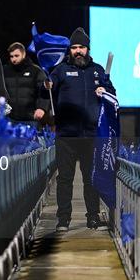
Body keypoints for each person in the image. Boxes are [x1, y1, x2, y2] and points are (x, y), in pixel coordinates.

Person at [44, 27, 115, 232]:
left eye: (81, 47)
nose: (77, 51)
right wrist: (46, 85)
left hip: (91, 134)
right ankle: (63, 219)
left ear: (87, 49)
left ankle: (92, 217)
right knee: (64, 179)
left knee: (90, 178)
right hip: (66, 134)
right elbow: (47, 86)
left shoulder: (98, 70)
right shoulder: (61, 70)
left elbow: (112, 92)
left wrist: (105, 90)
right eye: (74, 47)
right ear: (70, 50)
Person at [3, 42, 49, 126]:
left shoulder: (35, 70)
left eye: (16, 56)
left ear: (23, 54)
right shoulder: (4, 71)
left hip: (30, 119)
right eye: (11, 56)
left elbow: (45, 90)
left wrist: (42, 108)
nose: (14, 59)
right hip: (9, 119)